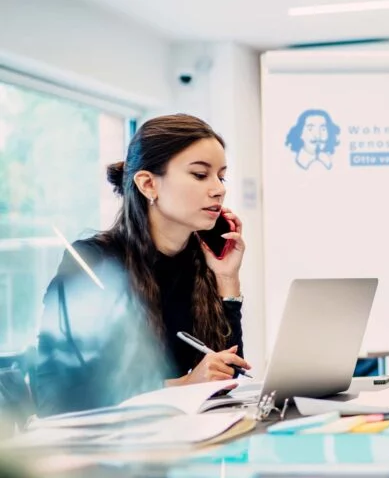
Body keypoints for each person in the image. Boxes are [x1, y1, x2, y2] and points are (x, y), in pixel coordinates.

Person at [33, 114, 251, 416]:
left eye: (221, 176)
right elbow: (63, 393)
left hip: (177, 434)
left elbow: (227, 377)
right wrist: (185, 384)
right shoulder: (93, 263)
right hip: (102, 445)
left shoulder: (200, 263)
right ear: (148, 184)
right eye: (201, 175)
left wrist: (228, 279)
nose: (218, 189)